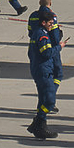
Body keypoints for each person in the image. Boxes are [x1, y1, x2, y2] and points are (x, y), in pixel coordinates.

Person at [26, 10, 61, 139]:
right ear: (43, 23)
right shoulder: (42, 36)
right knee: (50, 101)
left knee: (42, 99)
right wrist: (59, 47)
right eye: (50, 23)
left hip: (38, 69)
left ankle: (40, 127)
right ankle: (39, 120)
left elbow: (30, 53)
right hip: (43, 71)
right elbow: (47, 53)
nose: (52, 26)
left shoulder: (36, 33)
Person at [28, 0, 66, 107]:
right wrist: (59, 46)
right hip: (50, 49)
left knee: (40, 82)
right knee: (58, 74)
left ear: (39, 2)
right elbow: (55, 37)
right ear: (50, 3)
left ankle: (44, 102)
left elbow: (30, 33)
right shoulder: (52, 16)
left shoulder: (32, 16)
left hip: (34, 49)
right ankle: (50, 99)